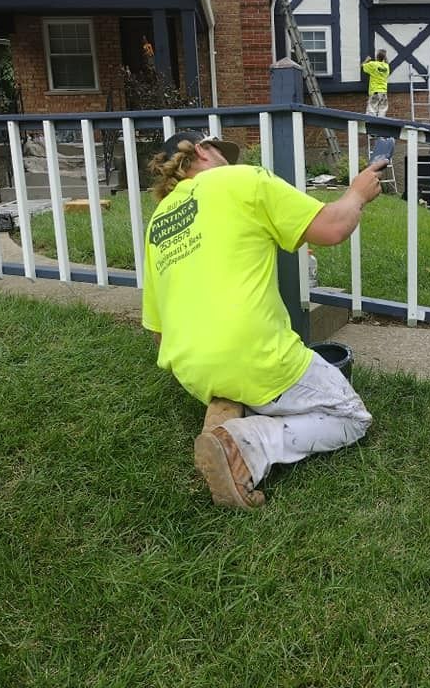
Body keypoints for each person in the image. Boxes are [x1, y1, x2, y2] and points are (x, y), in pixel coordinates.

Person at [142, 130, 387, 509]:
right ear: (203, 152)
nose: (230, 160)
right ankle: (246, 443)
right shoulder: (243, 179)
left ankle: (227, 406)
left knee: (244, 379)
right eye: (222, 152)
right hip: (253, 354)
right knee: (352, 417)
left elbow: (157, 331)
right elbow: (333, 227)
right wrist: (357, 192)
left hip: (191, 370)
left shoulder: (160, 220)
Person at [361, 50, 390, 117]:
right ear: (384, 58)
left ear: (377, 57)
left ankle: (371, 126)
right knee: (382, 111)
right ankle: (380, 125)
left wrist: (367, 60)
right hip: (383, 92)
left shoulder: (373, 64)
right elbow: (386, 63)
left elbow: (362, 66)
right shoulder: (386, 67)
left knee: (372, 111)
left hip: (375, 91)